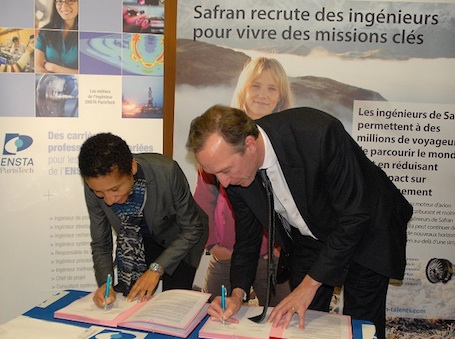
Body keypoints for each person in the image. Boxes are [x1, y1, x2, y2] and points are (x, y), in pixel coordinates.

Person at [186, 105, 413, 339]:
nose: (223, 183)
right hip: (309, 237)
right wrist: (237, 293)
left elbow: (354, 215)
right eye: (215, 174)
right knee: (303, 321)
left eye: (225, 171)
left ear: (250, 145)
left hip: (367, 229)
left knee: (361, 322)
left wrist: (309, 286)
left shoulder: (318, 133)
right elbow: (247, 237)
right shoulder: (235, 174)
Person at [194, 57, 293, 306]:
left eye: (272, 88)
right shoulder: (217, 138)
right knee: (213, 319)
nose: (262, 95)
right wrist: (214, 243)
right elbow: (204, 200)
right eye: (256, 86)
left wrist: (285, 245)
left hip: (274, 258)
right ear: (243, 88)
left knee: (283, 323)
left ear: (281, 96)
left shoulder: (288, 141)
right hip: (226, 255)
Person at [78, 133, 208, 309]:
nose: (108, 200)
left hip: (180, 236)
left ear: (132, 168)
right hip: (139, 242)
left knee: (174, 303)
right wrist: (105, 284)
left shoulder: (166, 171)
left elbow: (192, 228)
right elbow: (101, 242)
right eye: (101, 194)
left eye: (115, 189)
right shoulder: (94, 185)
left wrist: (156, 269)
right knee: (134, 302)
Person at [35, 0, 78, 73]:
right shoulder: (45, 32)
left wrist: (54, 68)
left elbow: (92, 73)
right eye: (60, 1)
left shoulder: (91, 34)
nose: (64, 6)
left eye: (70, 0)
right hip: (50, 83)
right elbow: (37, 67)